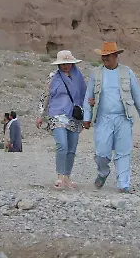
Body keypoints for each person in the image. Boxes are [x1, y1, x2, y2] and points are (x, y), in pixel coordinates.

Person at [83, 42, 140, 194]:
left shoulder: (127, 72)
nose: (105, 59)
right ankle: (103, 172)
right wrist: (87, 116)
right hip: (103, 118)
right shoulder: (96, 73)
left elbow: (137, 95)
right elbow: (89, 97)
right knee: (101, 153)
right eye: (103, 57)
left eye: (108, 57)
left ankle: (123, 184)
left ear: (116, 56)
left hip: (123, 118)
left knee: (123, 152)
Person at [37, 50, 87, 189]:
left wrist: (86, 118)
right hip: (57, 114)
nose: (66, 66)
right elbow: (45, 96)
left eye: (68, 63)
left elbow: (84, 97)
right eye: (63, 63)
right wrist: (40, 115)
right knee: (62, 145)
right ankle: (59, 177)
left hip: (75, 116)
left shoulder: (78, 78)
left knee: (72, 148)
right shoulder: (53, 77)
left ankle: (67, 178)